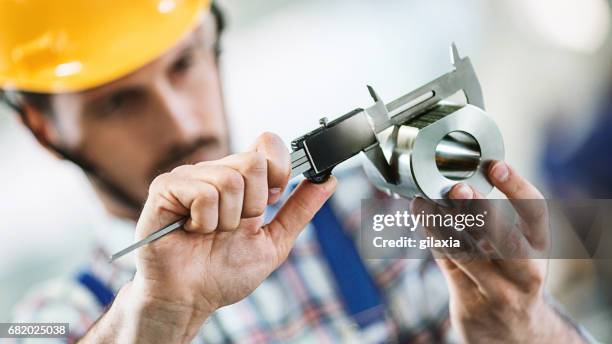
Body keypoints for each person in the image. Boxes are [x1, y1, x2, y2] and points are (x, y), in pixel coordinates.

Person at [0, 1, 592, 343]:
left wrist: (518, 321)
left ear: (215, 40)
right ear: (45, 130)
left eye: (184, 65)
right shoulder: (53, 322)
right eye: (118, 103)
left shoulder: (385, 212)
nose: (179, 123)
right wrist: (157, 320)